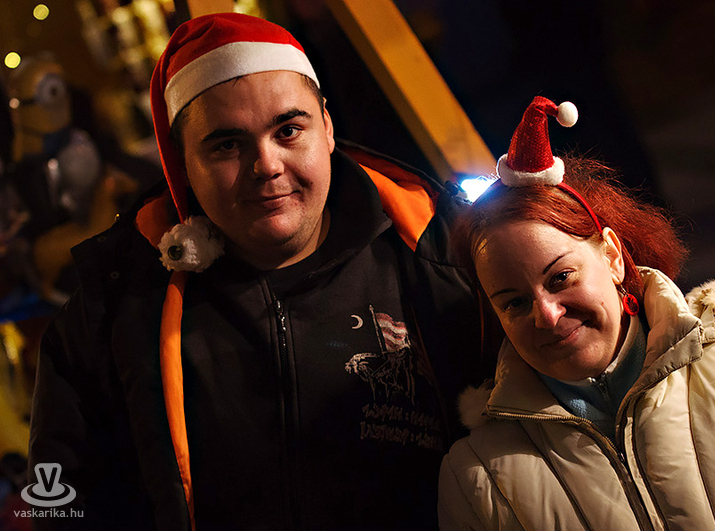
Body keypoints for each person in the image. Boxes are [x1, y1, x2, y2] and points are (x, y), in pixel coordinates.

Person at [28, 13, 493, 530]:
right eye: (227, 144)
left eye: (288, 130)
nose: (267, 165)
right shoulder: (107, 317)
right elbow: (55, 506)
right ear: (182, 164)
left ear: (327, 127)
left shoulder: (445, 260)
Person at [438, 96, 715, 530]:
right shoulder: (478, 482)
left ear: (612, 257)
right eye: (514, 302)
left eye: (560, 277)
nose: (547, 315)